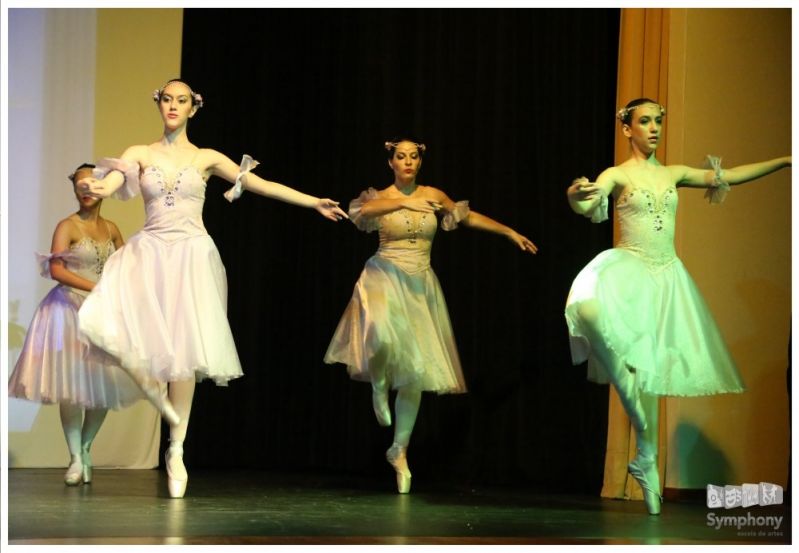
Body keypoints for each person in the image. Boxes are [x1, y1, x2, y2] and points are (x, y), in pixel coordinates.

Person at [77, 79, 347, 498]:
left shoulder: (205, 157)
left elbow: (261, 185)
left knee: (186, 354)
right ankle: (158, 403)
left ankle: (176, 448)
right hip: (150, 254)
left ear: (193, 109)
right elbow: (114, 181)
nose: (172, 106)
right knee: (114, 333)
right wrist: (99, 187)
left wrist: (312, 201)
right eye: (167, 99)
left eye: (180, 100)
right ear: (159, 104)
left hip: (190, 256)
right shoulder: (141, 153)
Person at [565, 98, 791, 515]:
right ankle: (639, 428)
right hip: (629, 267)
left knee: (651, 370)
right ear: (627, 129)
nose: (654, 128)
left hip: (667, 277)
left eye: (658, 121)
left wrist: (785, 159)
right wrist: (576, 194)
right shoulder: (617, 173)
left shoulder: (674, 173)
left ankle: (646, 460)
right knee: (586, 308)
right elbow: (589, 203)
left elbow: (730, 176)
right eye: (645, 121)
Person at [325, 139, 537, 493]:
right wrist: (405, 201)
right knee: (378, 333)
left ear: (419, 162)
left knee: (416, 371)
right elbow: (363, 213)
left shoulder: (433, 193)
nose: (407, 161)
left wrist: (508, 231)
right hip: (383, 272)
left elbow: (465, 217)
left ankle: (399, 450)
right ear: (391, 161)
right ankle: (378, 385)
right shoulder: (377, 196)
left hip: (420, 283)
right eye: (400, 156)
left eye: (413, 156)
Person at [9, 163, 143, 486]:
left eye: (91, 184)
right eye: (79, 185)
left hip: (102, 312)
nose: (85, 190)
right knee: (69, 385)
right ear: (75, 190)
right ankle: (73, 458)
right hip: (67, 310)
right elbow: (56, 270)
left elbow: (125, 266)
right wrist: (95, 287)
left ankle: (85, 447)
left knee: (103, 387)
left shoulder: (110, 228)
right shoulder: (66, 226)